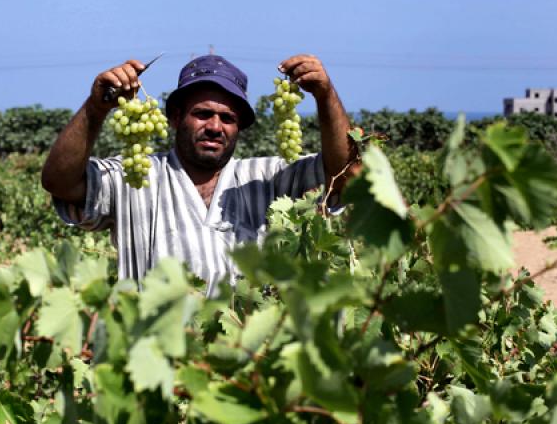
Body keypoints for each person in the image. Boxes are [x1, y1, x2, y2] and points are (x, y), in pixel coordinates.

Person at [41, 54, 358, 295]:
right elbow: (60, 182)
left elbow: (345, 176)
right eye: (203, 114)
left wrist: (325, 95)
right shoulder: (134, 177)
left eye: (227, 118)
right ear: (176, 118)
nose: (215, 127)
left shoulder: (269, 177)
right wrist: (96, 109)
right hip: (157, 369)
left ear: (239, 128)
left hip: (248, 370)